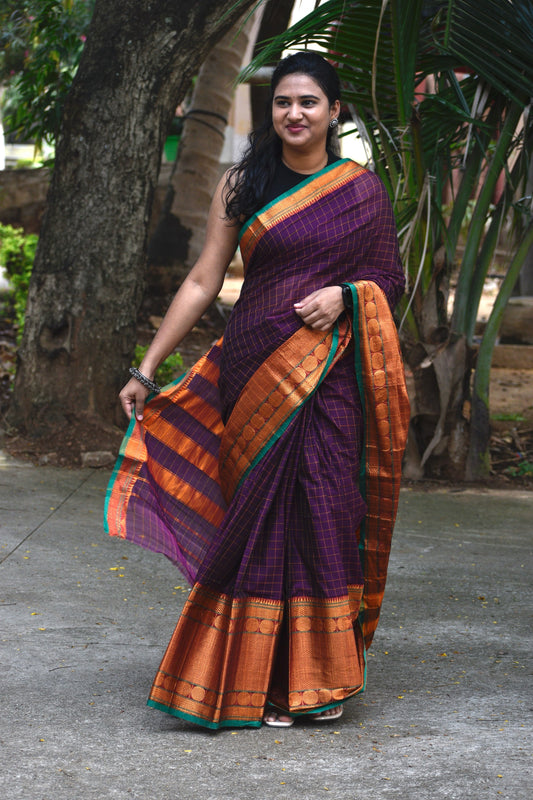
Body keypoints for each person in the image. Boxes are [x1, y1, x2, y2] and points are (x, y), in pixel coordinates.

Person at [105, 52, 410, 730]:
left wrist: (344, 296)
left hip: (327, 372)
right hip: (253, 369)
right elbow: (200, 281)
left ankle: (314, 681)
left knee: (325, 507)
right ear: (270, 112)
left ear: (335, 112)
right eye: (282, 102)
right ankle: (255, 678)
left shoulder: (360, 191)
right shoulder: (242, 184)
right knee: (260, 519)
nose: (294, 113)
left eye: (308, 102)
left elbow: (388, 281)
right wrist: (145, 368)